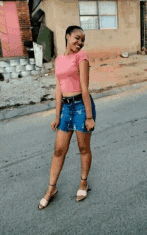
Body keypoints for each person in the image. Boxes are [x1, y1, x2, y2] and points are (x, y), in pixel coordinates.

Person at [38, 25, 96, 209]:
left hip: (81, 106)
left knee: (83, 148)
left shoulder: (82, 56)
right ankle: (52, 188)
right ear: (67, 36)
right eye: (77, 38)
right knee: (58, 150)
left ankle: (83, 182)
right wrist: (57, 116)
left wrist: (88, 116)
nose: (80, 42)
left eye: (83, 40)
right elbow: (58, 89)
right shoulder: (59, 59)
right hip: (66, 109)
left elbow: (85, 87)